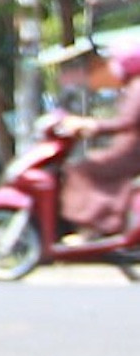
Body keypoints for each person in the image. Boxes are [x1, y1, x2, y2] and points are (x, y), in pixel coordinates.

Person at [56, 33, 140, 240]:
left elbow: (126, 122)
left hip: (131, 153)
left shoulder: (137, 87)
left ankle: (95, 225)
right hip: (126, 149)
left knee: (79, 169)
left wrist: (92, 125)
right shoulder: (132, 87)